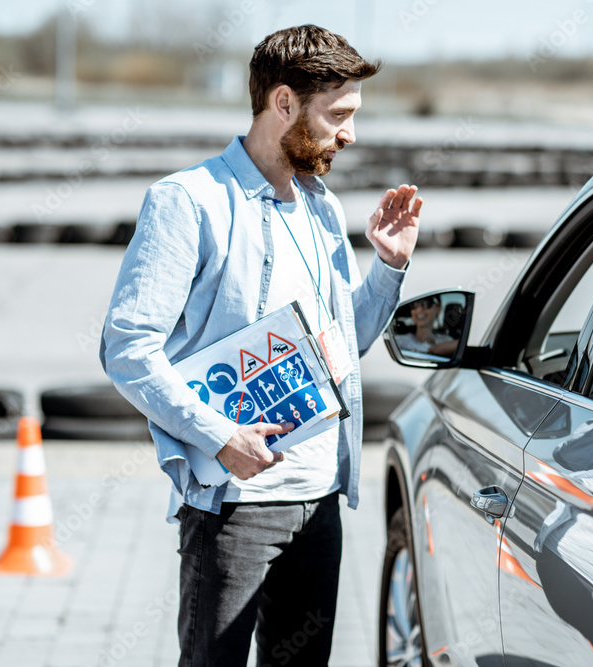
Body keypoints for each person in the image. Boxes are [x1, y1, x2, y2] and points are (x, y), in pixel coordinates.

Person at [98, 25, 423, 667]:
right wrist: (219, 435)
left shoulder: (322, 208)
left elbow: (340, 348)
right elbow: (127, 347)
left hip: (319, 498)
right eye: (339, 115)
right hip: (233, 508)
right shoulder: (187, 202)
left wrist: (388, 268)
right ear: (282, 104)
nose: (350, 134)